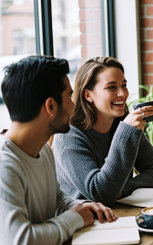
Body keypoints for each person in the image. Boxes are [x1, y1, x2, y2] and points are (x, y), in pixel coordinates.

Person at [0, 55, 116, 244]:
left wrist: (85, 206)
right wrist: (76, 218)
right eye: (69, 96)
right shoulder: (4, 166)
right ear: (51, 106)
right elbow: (21, 240)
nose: (73, 105)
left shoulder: (43, 149)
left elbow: (57, 201)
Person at [53, 57, 153, 207]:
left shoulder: (121, 127)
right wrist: (126, 132)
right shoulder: (68, 136)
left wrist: (126, 187)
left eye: (124, 85)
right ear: (88, 95)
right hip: (86, 223)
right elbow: (100, 193)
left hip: (121, 214)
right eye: (111, 88)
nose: (123, 94)